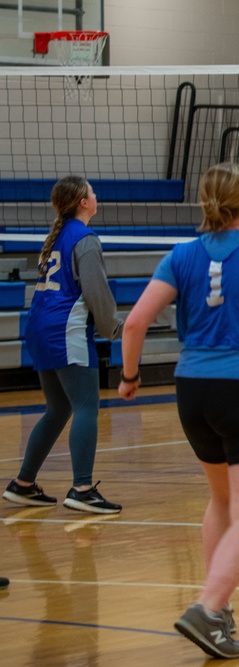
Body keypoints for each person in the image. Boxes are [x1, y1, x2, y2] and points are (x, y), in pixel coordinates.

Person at [118, 162, 239, 659]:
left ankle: (220, 611)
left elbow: (135, 323)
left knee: (223, 499)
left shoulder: (181, 256)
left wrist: (129, 377)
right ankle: (207, 607)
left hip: (193, 391)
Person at [3, 176, 123, 514]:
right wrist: (115, 328)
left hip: (39, 330)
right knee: (86, 406)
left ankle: (23, 484)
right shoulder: (84, 238)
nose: (96, 195)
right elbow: (96, 294)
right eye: (92, 191)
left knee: (58, 409)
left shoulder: (56, 238)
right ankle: (82, 489)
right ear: (83, 202)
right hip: (65, 332)